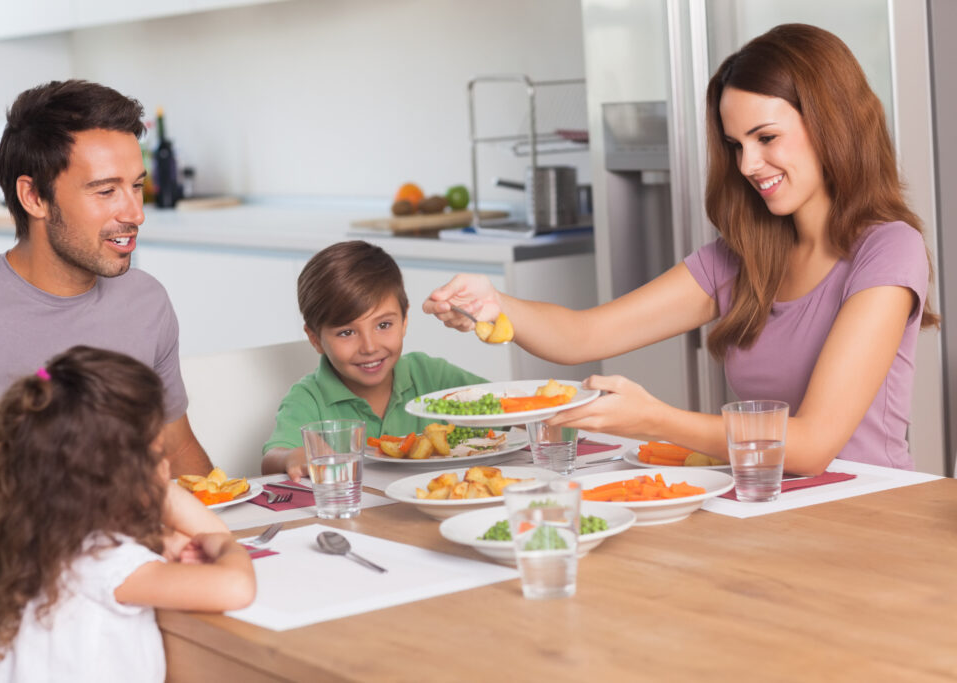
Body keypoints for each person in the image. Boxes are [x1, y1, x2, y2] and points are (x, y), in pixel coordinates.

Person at [423, 24, 936, 476]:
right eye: (736, 145)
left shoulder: (889, 250)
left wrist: (653, 420)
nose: (748, 164)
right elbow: (586, 334)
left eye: (766, 137)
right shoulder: (740, 259)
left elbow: (811, 447)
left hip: (872, 514)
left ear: (833, 123)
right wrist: (495, 302)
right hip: (766, 508)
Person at [0, 79, 214, 624]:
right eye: (105, 191)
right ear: (34, 197)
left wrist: (246, 527)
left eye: (136, 186)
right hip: (1, 603)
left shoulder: (145, 300)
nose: (134, 213)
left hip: (131, 573)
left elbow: (176, 449)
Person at [0, 346, 255, 683]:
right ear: (117, 474)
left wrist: (169, 530)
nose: (166, 465)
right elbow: (236, 586)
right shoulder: (102, 561)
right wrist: (225, 545)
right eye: (155, 454)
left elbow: (177, 544)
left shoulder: (39, 542)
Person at [261, 241, 486, 480]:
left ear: (404, 320)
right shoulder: (309, 398)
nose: (369, 347)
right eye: (347, 333)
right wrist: (291, 457)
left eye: (383, 325)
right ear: (315, 339)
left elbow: (510, 413)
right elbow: (273, 458)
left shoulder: (432, 375)